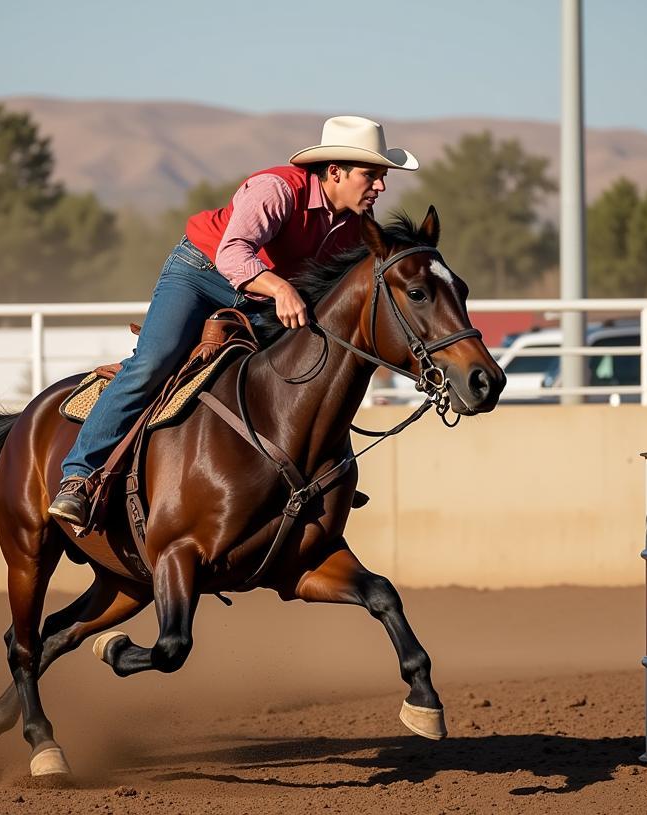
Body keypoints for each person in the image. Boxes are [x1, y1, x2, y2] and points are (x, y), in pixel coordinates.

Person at [48, 115, 420, 529]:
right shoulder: (275, 190)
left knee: (314, 365)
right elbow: (232, 255)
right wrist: (281, 290)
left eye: (383, 177)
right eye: (371, 175)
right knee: (153, 363)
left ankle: (322, 470)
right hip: (200, 273)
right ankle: (79, 476)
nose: (381, 187)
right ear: (335, 171)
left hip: (259, 293)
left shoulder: (352, 228)